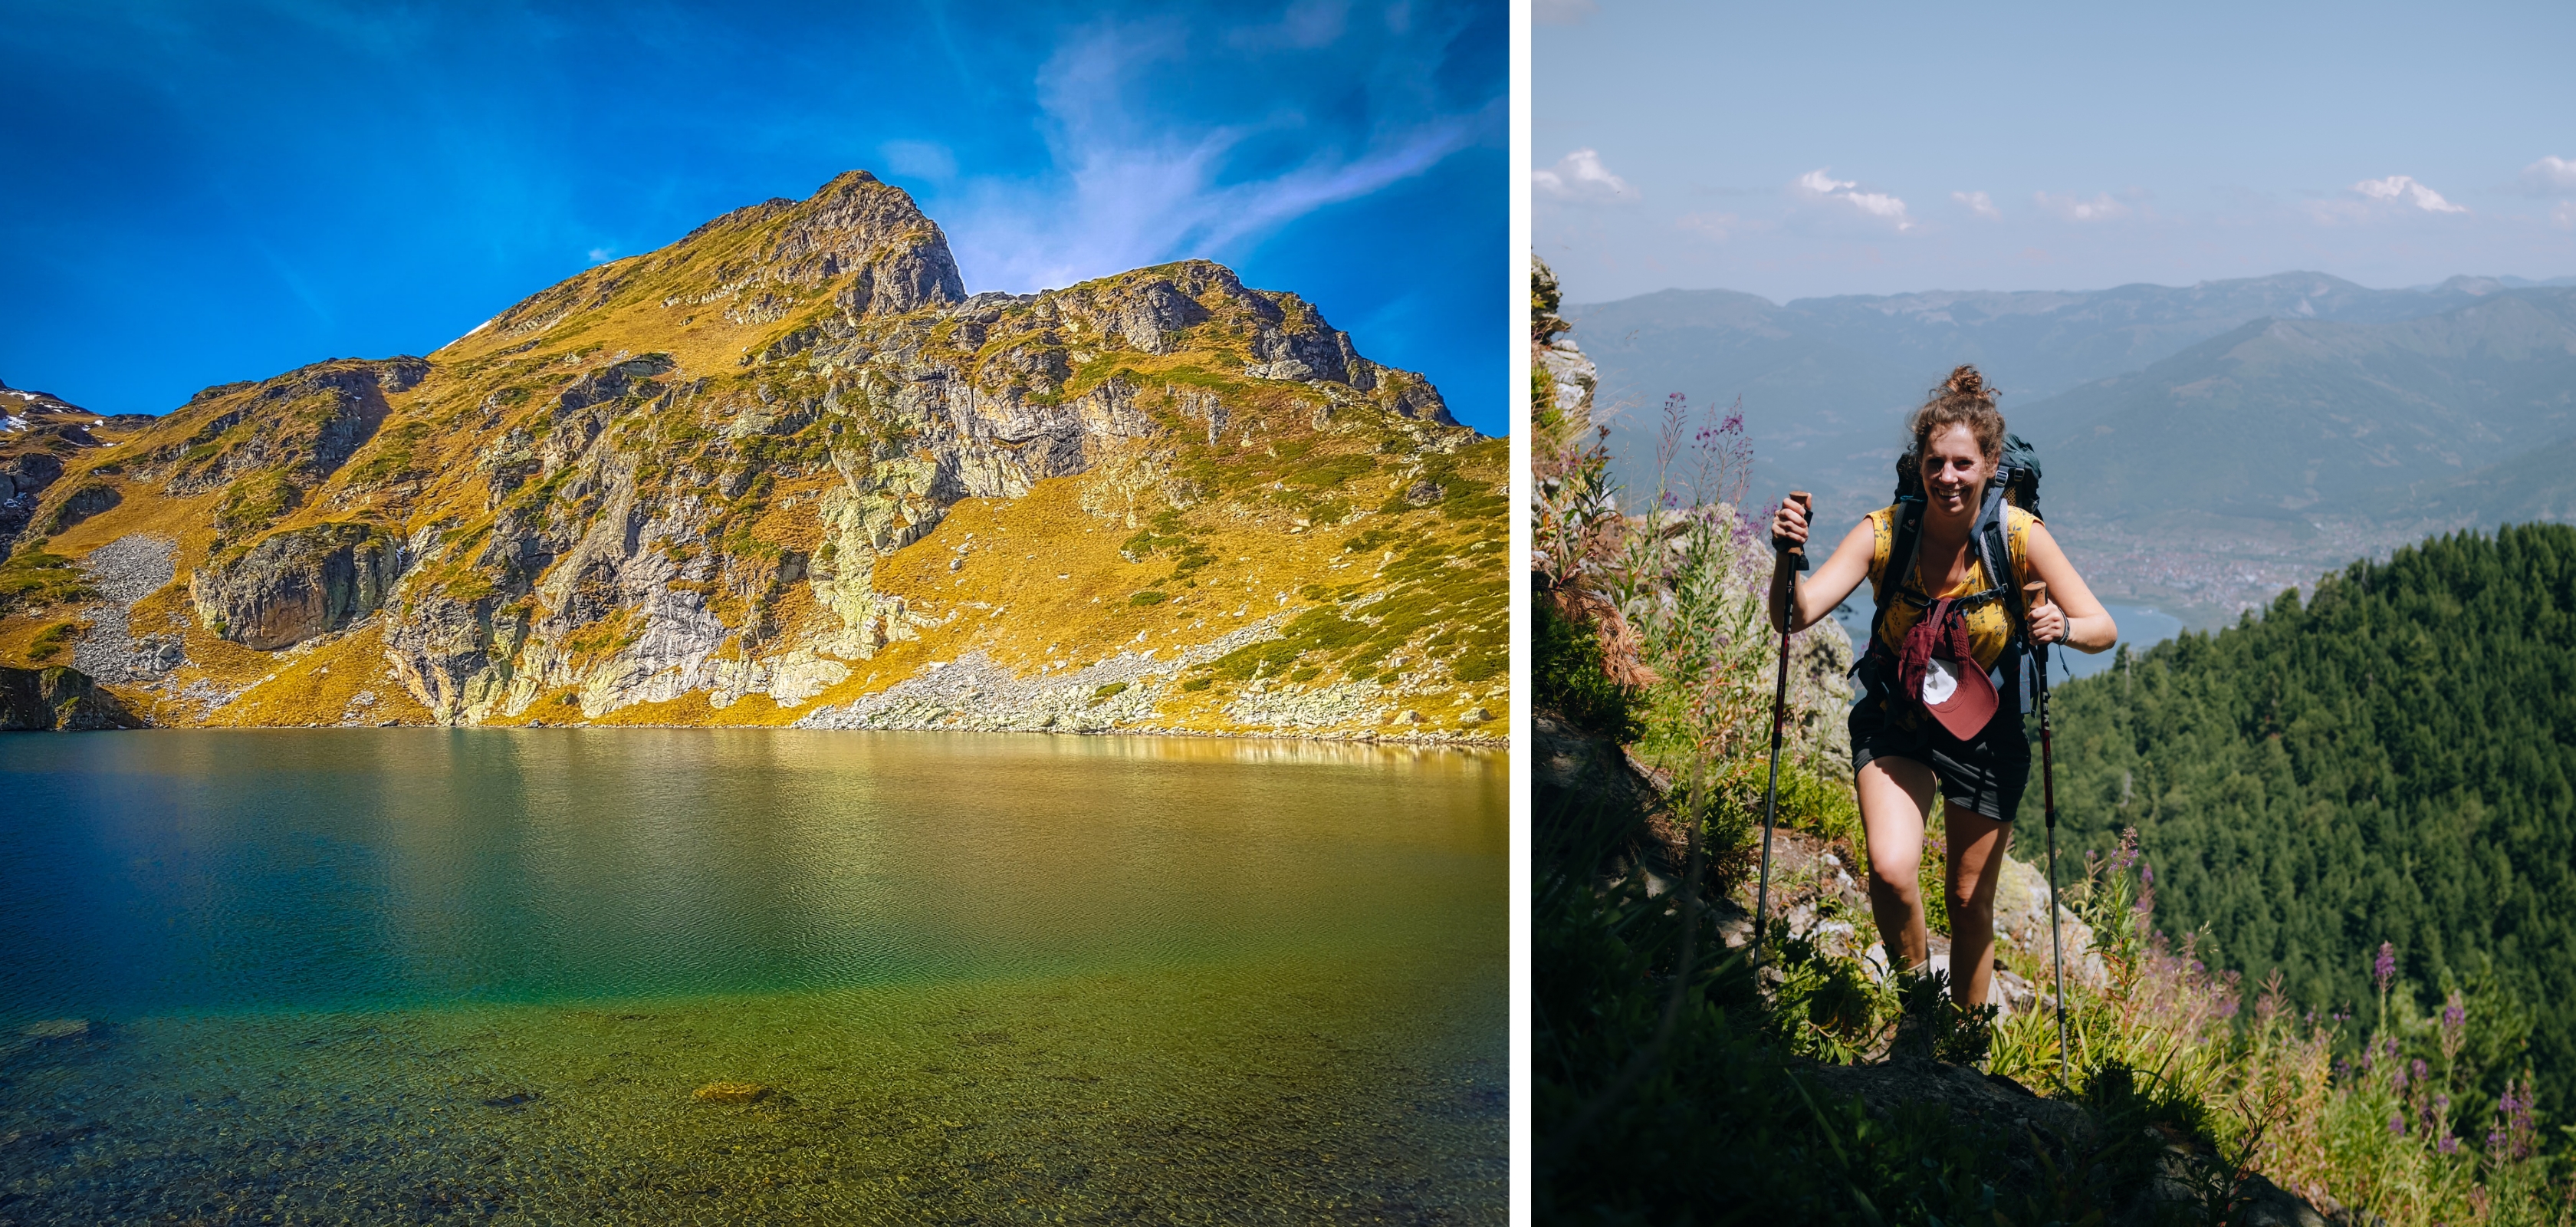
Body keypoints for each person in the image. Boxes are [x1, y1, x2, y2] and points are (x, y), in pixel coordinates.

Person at [1765, 366, 2115, 1014]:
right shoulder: (1886, 532)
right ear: (1918, 465)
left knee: (1968, 900)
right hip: (1897, 721)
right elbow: (1795, 614)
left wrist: (2061, 626)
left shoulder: (2018, 537)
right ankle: (1920, 1008)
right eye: (1935, 463)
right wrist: (1788, 555)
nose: (1947, 478)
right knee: (1894, 872)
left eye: (1962, 464)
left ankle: (1965, 1036)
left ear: (1988, 466)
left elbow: (2103, 629)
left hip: (1986, 733)